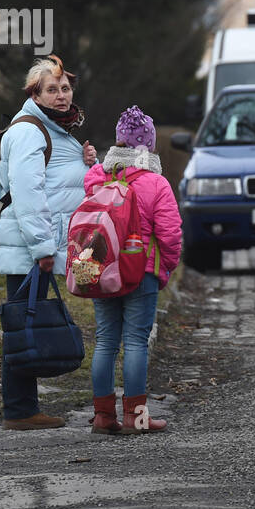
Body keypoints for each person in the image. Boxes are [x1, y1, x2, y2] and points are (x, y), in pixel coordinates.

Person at [0, 55, 97, 429]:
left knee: (25, 322)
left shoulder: (54, 130)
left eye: (65, 88)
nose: (61, 96)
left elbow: (59, 183)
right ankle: (20, 410)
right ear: (34, 95)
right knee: (22, 322)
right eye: (51, 90)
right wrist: (41, 249)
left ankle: (22, 408)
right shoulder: (28, 131)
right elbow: (28, 193)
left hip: (39, 244)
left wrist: (86, 162)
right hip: (27, 246)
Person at [84, 106, 182, 434]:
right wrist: (164, 268)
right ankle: (136, 418)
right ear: (149, 146)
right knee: (137, 341)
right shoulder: (156, 183)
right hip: (142, 270)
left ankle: (102, 416)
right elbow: (170, 235)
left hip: (102, 269)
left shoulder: (97, 177)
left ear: (118, 142)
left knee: (106, 340)